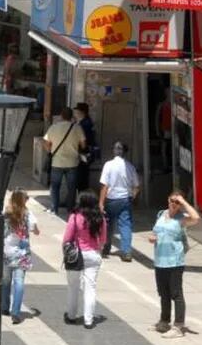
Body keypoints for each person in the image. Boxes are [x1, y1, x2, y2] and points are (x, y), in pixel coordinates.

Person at [147, 191, 201, 338]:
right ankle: (164, 321)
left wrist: (184, 202)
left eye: (177, 202)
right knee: (163, 293)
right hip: (160, 260)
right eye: (172, 200)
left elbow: (196, 218)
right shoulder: (161, 214)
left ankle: (178, 325)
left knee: (176, 293)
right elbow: (155, 231)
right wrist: (152, 237)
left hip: (175, 261)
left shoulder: (181, 219)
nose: (173, 204)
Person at [63, 191, 108, 329]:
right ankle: (88, 320)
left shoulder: (75, 217)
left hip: (77, 255)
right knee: (90, 288)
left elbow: (66, 239)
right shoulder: (100, 218)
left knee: (73, 287)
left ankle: (71, 315)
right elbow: (103, 240)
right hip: (93, 255)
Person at [1, 189, 40, 325]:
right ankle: (16, 312)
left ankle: (4, 307)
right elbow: (36, 231)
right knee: (19, 282)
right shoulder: (28, 215)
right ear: (23, 200)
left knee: (6, 281)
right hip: (21, 254)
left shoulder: (6, 213)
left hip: (6, 252)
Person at [98, 141, 140, 261]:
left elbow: (104, 186)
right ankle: (126, 252)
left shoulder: (108, 165)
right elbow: (136, 186)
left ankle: (106, 248)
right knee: (125, 225)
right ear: (125, 152)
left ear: (114, 151)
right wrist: (132, 196)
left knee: (108, 224)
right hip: (125, 199)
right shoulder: (130, 167)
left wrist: (101, 202)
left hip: (111, 199)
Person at [43, 107, 85, 217]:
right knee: (72, 188)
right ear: (72, 116)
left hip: (57, 162)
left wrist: (51, 151)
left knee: (55, 186)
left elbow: (46, 143)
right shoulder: (77, 128)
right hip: (72, 163)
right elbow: (83, 144)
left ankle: (54, 208)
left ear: (61, 116)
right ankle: (70, 209)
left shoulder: (53, 127)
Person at [74, 102, 98, 192]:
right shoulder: (86, 122)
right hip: (85, 153)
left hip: (83, 153)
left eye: (77, 111)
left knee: (82, 176)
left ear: (81, 112)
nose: (75, 113)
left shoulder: (85, 124)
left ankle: (82, 197)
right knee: (82, 176)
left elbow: (83, 141)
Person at [154, 87, 175, 170]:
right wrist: (157, 130)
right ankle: (165, 165)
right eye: (168, 92)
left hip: (174, 128)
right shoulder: (162, 105)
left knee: (173, 146)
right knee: (165, 146)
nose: (169, 93)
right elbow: (157, 118)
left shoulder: (174, 104)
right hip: (165, 129)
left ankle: (172, 165)